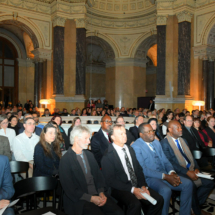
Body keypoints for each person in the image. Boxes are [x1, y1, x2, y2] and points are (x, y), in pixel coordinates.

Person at [59, 125, 124, 215]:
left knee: (118, 212)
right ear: (77, 139)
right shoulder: (66, 159)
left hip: (97, 193)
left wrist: (101, 192)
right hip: (80, 199)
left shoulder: (89, 155)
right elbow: (70, 189)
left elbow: (99, 176)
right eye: (86, 138)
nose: (89, 141)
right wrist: (91, 198)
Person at [101, 124, 164, 215]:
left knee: (158, 200)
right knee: (135, 204)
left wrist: (143, 185)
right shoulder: (108, 155)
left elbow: (138, 169)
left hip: (136, 183)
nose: (124, 136)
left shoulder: (130, 149)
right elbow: (110, 180)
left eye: (125, 133)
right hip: (120, 187)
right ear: (112, 137)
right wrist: (132, 189)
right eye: (121, 134)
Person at [132, 123, 193, 215]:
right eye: (148, 132)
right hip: (150, 178)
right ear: (141, 134)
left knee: (188, 184)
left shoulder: (156, 142)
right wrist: (165, 176)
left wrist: (171, 172)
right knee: (165, 190)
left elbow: (165, 161)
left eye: (152, 130)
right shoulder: (136, 146)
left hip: (165, 174)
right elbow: (143, 170)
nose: (152, 133)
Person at [161, 120, 214, 215]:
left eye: (180, 127)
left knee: (210, 182)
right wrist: (187, 172)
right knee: (191, 185)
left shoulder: (183, 140)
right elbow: (170, 163)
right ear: (170, 129)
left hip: (191, 168)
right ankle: (196, 211)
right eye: (177, 128)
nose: (180, 129)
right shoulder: (165, 143)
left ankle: (194, 205)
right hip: (178, 171)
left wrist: (196, 168)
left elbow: (191, 157)